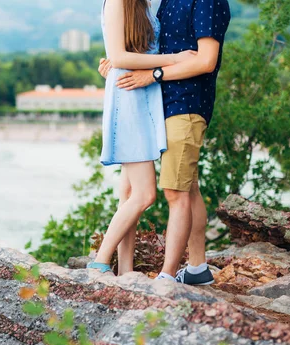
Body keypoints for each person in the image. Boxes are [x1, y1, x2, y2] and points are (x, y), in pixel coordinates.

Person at [98, 0, 231, 285]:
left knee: (174, 190)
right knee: (175, 187)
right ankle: (192, 268)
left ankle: (166, 277)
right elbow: (148, 48)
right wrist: (119, 60)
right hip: (151, 102)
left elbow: (205, 60)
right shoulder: (161, 2)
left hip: (184, 102)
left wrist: (152, 72)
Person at [86, 0, 196, 276]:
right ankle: (100, 262)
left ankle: (125, 271)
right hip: (128, 99)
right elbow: (121, 58)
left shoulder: (144, 4)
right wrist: (174, 59)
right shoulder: (117, 2)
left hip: (145, 97)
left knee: (129, 194)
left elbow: (129, 52)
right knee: (145, 194)